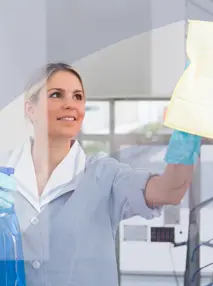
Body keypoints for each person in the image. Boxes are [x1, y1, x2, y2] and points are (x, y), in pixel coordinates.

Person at [0, 62, 201, 286]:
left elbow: (170, 190)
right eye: (56, 95)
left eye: (78, 97)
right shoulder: (4, 176)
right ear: (31, 109)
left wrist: (188, 130)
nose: (70, 104)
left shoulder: (105, 176)